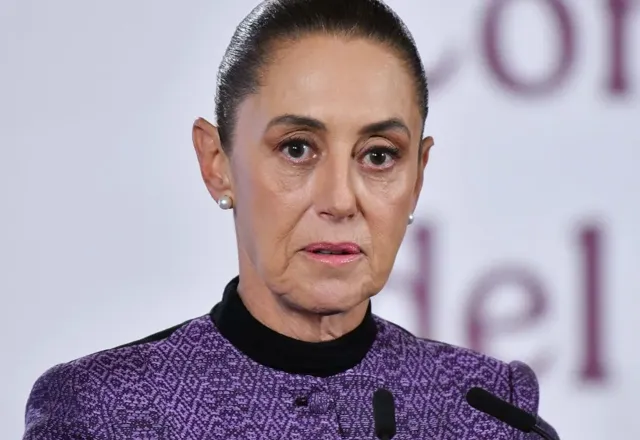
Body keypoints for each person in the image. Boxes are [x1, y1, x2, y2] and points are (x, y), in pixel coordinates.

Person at [23, 0, 559, 439]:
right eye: (297, 148)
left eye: (379, 155)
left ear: (417, 175)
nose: (340, 200)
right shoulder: (106, 412)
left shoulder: (489, 413)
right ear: (217, 163)